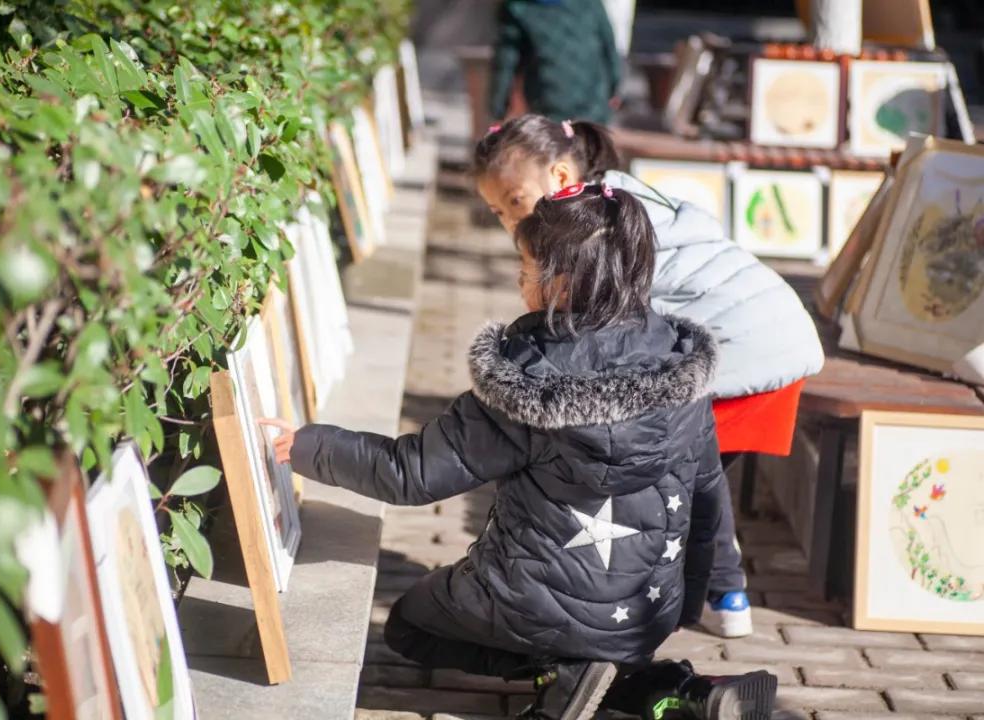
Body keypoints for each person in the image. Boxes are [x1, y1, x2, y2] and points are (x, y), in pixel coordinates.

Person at [261, 184, 777, 720]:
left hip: (529, 602)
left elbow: (410, 473)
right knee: (599, 644)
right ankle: (668, 690)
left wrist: (307, 445)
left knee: (409, 626)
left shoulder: (528, 379)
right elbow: (709, 499)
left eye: (527, 269)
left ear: (565, 282)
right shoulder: (681, 366)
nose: (519, 279)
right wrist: (686, 603)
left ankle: (569, 680)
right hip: (646, 612)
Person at [473, 114, 826, 639]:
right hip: (775, 338)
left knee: (679, 470)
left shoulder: (595, 230)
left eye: (517, 201)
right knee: (695, 471)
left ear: (562, 174)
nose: (509, 221)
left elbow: (604, 337)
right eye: (498, 211)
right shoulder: (616, 201)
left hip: (744, 352)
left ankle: (702, 594)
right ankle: (720, 594)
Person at [490, 0, 621, 125]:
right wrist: (615, 86)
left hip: (549, 102)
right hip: (594, 99)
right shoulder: (589, 3)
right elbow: (608, 43)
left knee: (557, 144)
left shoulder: (518, 8)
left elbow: (506, 62)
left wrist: (498, 109)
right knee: (588, 144)